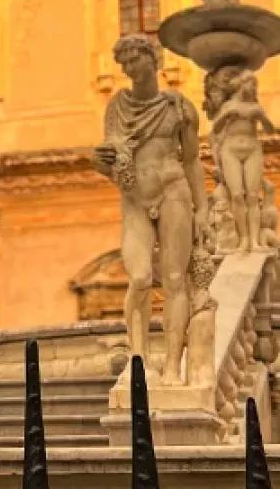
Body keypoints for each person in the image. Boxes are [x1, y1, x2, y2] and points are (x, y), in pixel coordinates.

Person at [93, 35, 208, 384]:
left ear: (153, 59)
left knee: (174, 280)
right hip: (135, 200)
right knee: (140, 277)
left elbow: (192, 161)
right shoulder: (117, 106)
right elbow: (111, 161)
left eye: (135, 59)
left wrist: (202, 208)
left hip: (174, 192)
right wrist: (99, 162)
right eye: (124, 62)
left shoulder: (179, 108)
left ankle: (172, 366)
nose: (129, 68)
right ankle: (138, 359)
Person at [212, 70, 275, 251]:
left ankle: (254, 241)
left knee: (253, 196)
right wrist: (225, 116)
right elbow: (216, 129)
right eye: (251, 84)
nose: (253, 88)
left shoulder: (256, 107)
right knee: (237, 195)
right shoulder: (229, 105)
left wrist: (261, 117)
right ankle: (244, 239)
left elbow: (270, 130)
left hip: (252, 149)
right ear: (241, 85)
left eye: (255, 85)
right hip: (231, 150)